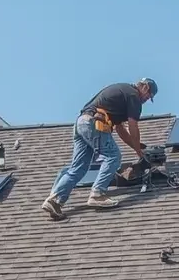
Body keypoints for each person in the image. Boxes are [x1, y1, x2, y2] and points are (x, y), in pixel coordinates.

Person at [42, 78, 158, 220]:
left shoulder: (123, 92)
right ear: (145, 88)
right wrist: (140, 154)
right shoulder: (134, 96)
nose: (146, 99)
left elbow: (121, 130)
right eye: (149, 96)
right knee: (113, 156)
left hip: (81, 123)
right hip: (94, 123)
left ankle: (54, 200)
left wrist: (137, 147)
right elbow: (133, 126)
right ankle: (97, 194)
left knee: (78, 168)